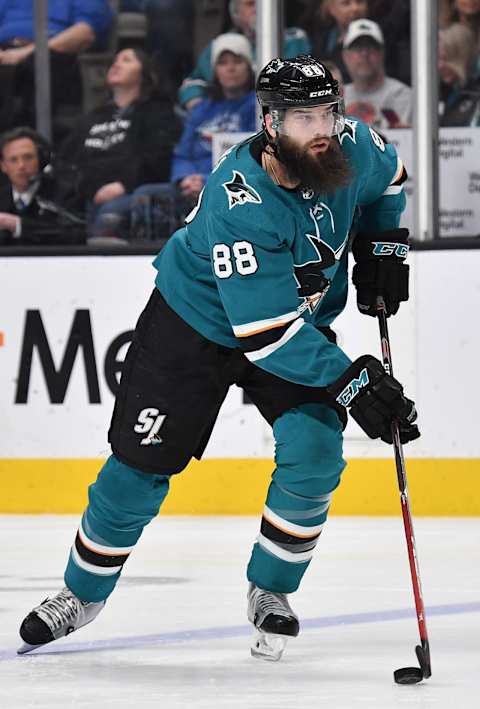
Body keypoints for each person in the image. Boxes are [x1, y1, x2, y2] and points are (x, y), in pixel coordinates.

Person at [18, 55, 419, 661]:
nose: (321, 128)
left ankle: (271, 589)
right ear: (269, 122)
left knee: (315, 452)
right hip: (197, 325)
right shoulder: (242, 200)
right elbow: (264, 335)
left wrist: (384, 243)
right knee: (136, 470)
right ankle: (82, 594)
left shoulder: (353, 144)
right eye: (303, 116)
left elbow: (390, 181)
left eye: (328, 113)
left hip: (292, 324)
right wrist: (352, 382)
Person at [58, 47, 182, 244]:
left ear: (144, 74)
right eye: (115, 60)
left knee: (110, 214)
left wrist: (123, 185)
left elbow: (158, 159)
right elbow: (68, 162)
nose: (116, 64)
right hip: (88, 195)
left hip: (132, 193)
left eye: (126, 60)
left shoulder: (158, 113)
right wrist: (91, 189)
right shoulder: (92, 117)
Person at [170, 33, 256, 220]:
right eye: (223, 63)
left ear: (250, 66)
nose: (230, 68)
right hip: (192, 185)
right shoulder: (201, 110)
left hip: (238, 187)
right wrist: (186, 178)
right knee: (146, 195)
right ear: (214, 70)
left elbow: (253, 159)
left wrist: (207, 180)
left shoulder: (258, 107)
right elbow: (183, 154)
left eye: (237, 61)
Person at [0, 0, 113, 132]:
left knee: (31, 68)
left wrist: (25, 53)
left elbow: (84, 34)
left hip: (54, 52)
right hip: (6, 52)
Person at [179, 0, 311, 110]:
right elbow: (193, 84)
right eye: (250, 4)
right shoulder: (220, 45)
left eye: (262, 4)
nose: (257, 9)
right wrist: (203, 110)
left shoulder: (293, 39)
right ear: (236, 14)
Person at [0, 126, 85, 246]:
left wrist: (18, 225)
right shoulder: (2, 198)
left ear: (41, 159)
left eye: (28, 157)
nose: (21, 166)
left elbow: (77, 236)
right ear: (3, 166)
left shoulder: (66, 194)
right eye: (13, 160)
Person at [342, 19, 412, 128]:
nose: (364, 53)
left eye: (371, 47)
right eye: (357, 48)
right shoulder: (337, 97)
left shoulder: (402, 96)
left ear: (382, 53)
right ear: (345, 56)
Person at [299, 0, 369, 82]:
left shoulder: (378, 38)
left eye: (360, 2)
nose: (355, 8)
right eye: (346, 3)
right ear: (331, 9)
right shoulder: (324, 39)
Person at [438, 23, 480, 126]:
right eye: (438, 59)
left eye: (446, 59)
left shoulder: (475, 94)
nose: (440, 66)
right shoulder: (442, 92)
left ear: (464, 57)